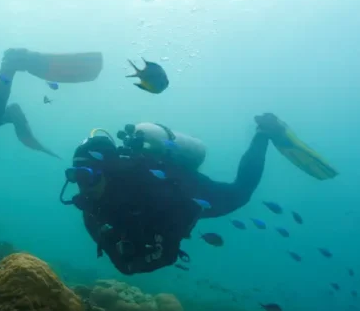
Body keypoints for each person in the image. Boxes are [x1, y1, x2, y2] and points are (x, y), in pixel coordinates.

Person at [60, 114, 337, 275]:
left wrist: (146, 249)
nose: (81, 186)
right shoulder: (92, 205)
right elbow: (113, 246)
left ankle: (263, 134)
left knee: (239, 194)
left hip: (181, 191)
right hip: (154, 207)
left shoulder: (147, 183)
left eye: (87, 176)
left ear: (107, 171)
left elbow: (166, 253)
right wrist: (114, 244)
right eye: (75, 176)